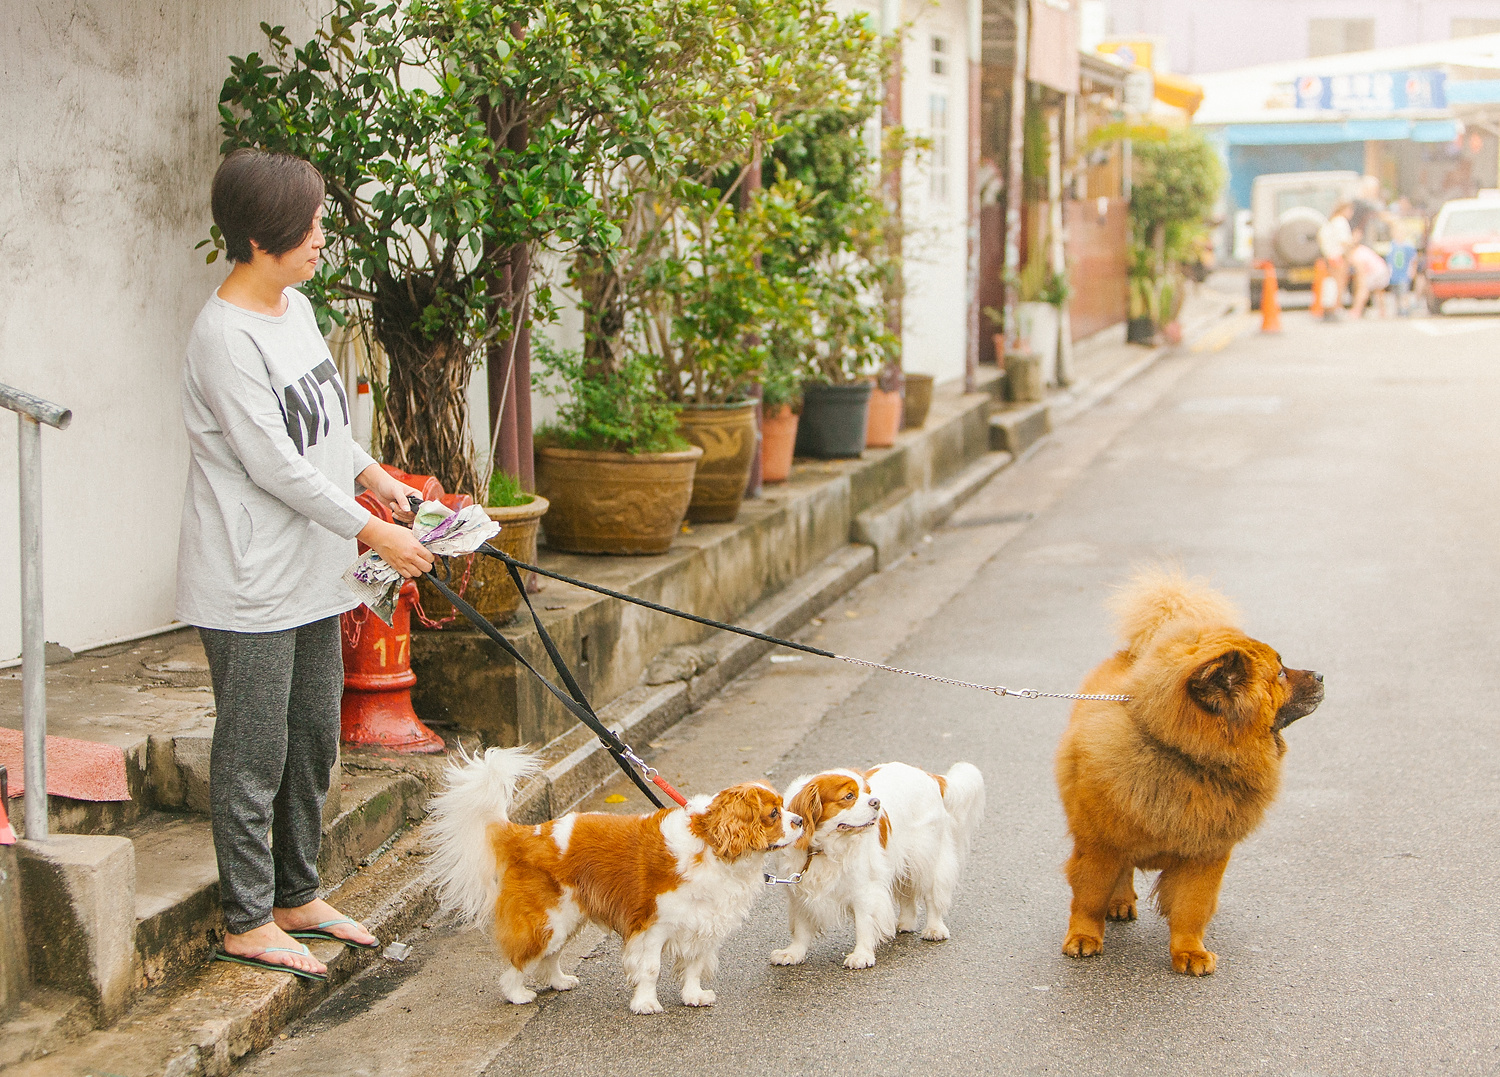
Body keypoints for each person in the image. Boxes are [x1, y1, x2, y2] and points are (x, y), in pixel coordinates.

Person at [178, 149, 435, 979]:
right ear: (260, 236)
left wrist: (375, 478)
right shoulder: (222, 336)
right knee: (253, 751)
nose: (323, 237)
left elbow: (323, 430)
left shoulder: (293, 306)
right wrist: (372, 532)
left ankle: (296, 893)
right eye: (310, 224)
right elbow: (272, 466)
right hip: (250, 580)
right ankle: (248, 917)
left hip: (314, 571)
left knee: (313, 739)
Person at [1317, 202, 1354, 318]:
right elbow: (1344, 240)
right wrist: (1354, 240)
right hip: (1338, 256)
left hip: (1330, 256)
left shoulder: (1331, 221)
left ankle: (1329, 307)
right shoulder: (1341, 222)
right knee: (1339, 283)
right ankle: (1335, 308)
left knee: (1331, 283)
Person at [1348, 240, 1391, 319]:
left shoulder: (1356, 255)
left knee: (1363, 290)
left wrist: (1361, 285)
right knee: (1378, 291)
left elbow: (1361, 273)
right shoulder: (1362, 249)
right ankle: (1382, 311)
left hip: (1374, 272)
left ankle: (1356, 311)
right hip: (1382, 269)